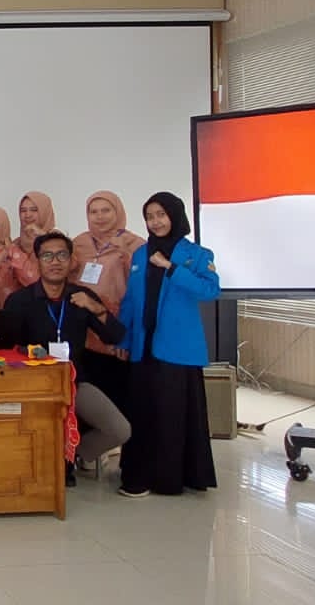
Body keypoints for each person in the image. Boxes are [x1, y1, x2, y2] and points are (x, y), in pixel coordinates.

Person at [2, 232, 129, 486]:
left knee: (119, 429)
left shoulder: (81, 297)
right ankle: (43, 462)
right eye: (47, 256)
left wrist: (96, 308)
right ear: (37, 261)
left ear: (71, 260)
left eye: (62, 255)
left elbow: (115, 335)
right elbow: (7, 348)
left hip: (74, 381)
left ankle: (70, 457)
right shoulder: (20, 301)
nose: (55, 262)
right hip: (33, 383)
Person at [117, 192, 220, 498]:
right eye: (150, 217)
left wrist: (171, 268)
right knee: (142, 412)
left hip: (177, 349)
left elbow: (210, 290)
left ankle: (170, 478)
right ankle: (139, 475)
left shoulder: (197, 254)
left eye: (161, 215)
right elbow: (130, 300)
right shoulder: (140, 254)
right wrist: (124, 337)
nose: (155, 222)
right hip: (143, 346)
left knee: (172, 414)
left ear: (175, 215)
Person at [72, 191, 148, 403]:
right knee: (85, 394)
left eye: (106, 210)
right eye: (93, 212)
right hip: (84, 331)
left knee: (117, 396)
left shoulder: (135, 244)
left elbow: (142, 290)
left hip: (116, 327)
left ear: (118, 212)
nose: (99, 217)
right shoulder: (79, 243)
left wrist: (126, 255)